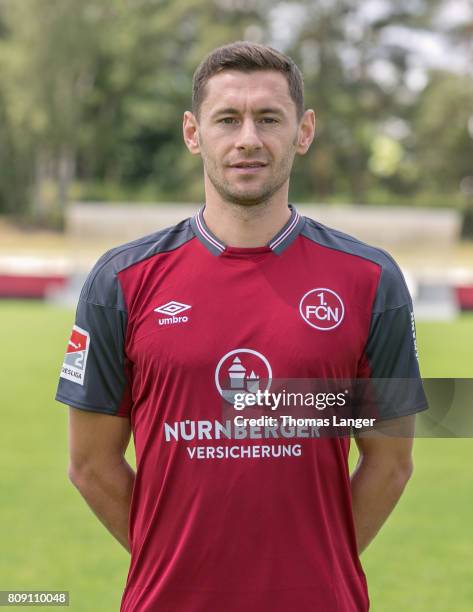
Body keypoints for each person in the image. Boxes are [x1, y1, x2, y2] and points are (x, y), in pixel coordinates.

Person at [56, 41, 427, 611]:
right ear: (193, 132)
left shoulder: (370, 280)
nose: (248, 138)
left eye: (269, 118)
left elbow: (391, 461)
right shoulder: (120, 282)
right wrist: (177, 560)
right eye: (227, 119)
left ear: (303, 132)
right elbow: (90, 465)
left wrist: (314, 563)